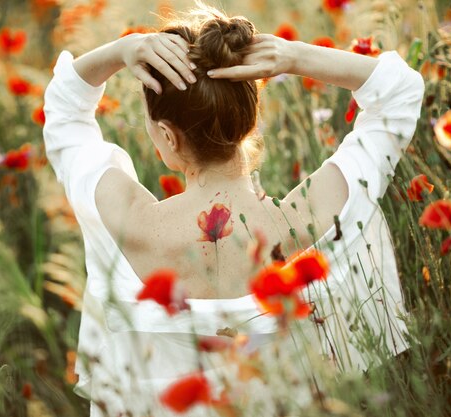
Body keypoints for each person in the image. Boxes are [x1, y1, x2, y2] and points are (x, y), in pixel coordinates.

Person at [43, 5, 424, 416]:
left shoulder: (126, 222)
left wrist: (123, 50)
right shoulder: (308, 219)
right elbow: (399, 93)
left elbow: (65, 110)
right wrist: (293, 57)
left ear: (168, 136)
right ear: (249, 119)